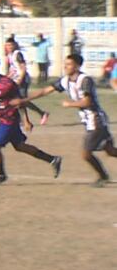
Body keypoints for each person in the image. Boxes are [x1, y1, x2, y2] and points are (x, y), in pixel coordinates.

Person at [15, 54, 115, 187]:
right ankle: (104, 176)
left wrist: (70, 104)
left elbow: (87, 101)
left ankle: (103, 177)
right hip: (90, 120)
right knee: (110, 150)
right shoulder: (65, 80)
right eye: (65, 64)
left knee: (86, 154)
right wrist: (24, 100)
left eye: (69, 64)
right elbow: (45, 91)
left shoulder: (85, 80)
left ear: (77, 66)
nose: (65, 66)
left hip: (95, 120)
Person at [0, 55, 61, 185]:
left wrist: (26, 120)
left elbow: (20, 102)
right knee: (20, 146)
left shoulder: (7, 84)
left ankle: (0, 175)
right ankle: (53, 159)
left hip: (10, 120)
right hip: (2, 119)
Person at [6, 37, 48, 129]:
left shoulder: (18, 54)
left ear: (14, 45)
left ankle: (34, 117)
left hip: (23, 79)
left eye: (11, 45)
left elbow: (23, 68)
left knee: (21, 100)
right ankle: (26, 119)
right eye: (7, 45)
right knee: (19, 101)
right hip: (16, 79)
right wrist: (7, 78)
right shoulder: (9, 55)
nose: (9, 47)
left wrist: (20, 79)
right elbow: (13, 69)